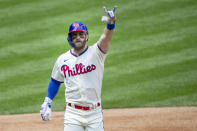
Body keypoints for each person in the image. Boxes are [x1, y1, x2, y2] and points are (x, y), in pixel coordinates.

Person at [40, 6, 117, 131]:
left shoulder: (97, 52)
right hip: (73, 114)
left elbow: (106, 37)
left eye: (81, 34)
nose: (78, 37)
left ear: (87, 36)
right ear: (69, 38)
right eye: (74, 35)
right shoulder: (62, 59)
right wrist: (47, 101)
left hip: (94, 113)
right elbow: (55, 81)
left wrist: (111, 23)